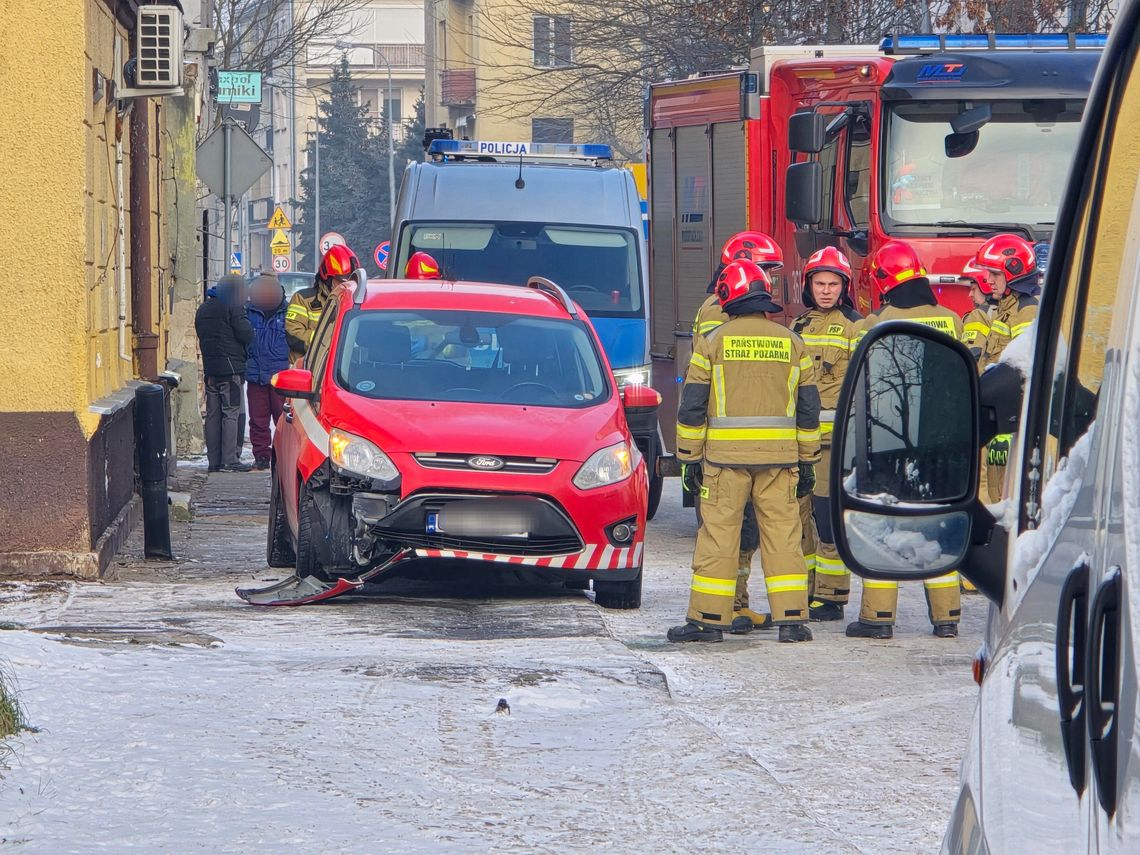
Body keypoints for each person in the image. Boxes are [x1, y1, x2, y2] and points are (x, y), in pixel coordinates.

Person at [669, 259, 820, 644]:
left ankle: (707, 621)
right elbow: (808, 409)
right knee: (784, 536)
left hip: (724, 463)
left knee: (719, 537)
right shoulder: (793, 342)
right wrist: (808, 461)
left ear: (727, 298)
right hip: (781, 462)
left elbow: (692, 407)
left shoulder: (711, 343)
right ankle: (792, 620)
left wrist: (688, 459)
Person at [847, 239, 963, 640]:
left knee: (884, 524)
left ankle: (878, 619)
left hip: (889, 438)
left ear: (882, 281)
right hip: (943, 440)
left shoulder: (871, 325)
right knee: (937, 523)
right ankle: (947, 616)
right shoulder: (952, 319)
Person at [687, 231, 786, 630]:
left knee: (737, 532)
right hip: (729, 448)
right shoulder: (721, 313)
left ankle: (734, 604)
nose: (769, 281)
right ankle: (733, 605)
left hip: (727, 443)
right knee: (731, 533)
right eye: (766, 271)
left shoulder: (717, 307)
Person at [790, 247, 863, 622]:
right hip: (798, 441)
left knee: (827, 516)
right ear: (808, 285)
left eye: (833, 284)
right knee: (799, 518)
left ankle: (832, 597)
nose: (826, 290)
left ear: (844, 287)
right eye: (819, 283)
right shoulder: (798, 327)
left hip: (834, 444)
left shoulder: (855, 326)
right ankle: (805, 590)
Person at [973, 234, 1040, 503]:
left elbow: (1023, 371)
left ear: (1014, 272)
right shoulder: (1005, 308)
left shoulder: (1026, 312)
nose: (987, 280)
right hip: (999, 414)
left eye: (993, 274)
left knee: (1006, 494)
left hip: (1013, 419)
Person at [195, 274, 254, 472]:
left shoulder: (203, 309)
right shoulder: (233, 307)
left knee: (212, 415)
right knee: (231, 412)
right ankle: (230, 459)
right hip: (231, 370)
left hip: (211, 369)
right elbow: (246, 334)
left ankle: (214, 461)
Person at [286, 244, 360, 364]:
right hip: (308, 370)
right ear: (328, 279)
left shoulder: (358, 302)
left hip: (342, 370)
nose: (347, 286)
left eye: (352, 281)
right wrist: (331, 341)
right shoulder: (303, 299)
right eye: (341, 281)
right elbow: (293, 335)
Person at [245, 272, 290, 470]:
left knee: (282, 418)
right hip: (255, 374)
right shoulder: (248, 311)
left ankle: (283, 455)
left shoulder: (288, 313)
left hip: (280, 376)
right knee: (258, 419)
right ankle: (262, 456)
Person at [959, 260, 994, 361]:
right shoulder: (1009, 311)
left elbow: (972, 355)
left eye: (973, 289)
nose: (970, 295)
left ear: (986, 286)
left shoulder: (978, 315)